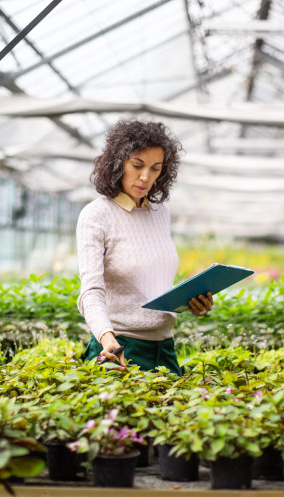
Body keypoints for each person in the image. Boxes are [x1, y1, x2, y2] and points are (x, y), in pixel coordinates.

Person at [76, 119, 213, 375]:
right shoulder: (96, 215)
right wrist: (108, 339)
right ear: (118, 163)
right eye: (137, 165)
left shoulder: (160, 212)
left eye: (155, 168)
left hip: (165, 347)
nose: (145, 177)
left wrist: (192, 303)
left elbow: (152, 281)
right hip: (119, 348)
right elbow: (90, 291)